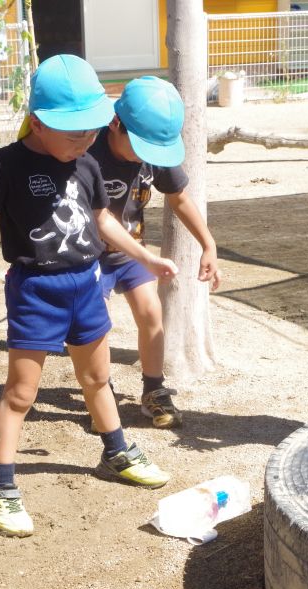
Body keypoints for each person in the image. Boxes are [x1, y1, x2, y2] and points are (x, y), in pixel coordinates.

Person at [0, 55, 179, 538]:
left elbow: (104, 219)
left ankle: (116, 451)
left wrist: (144, 256)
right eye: (75, 133)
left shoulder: (85, 161)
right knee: (21, 394)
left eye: (91, 131)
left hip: (86, 284)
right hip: (36, 292)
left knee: (98, 378)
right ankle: (0, 486)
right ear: (40, 122)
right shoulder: (6, 163)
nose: (86, 142)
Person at [86, 76, 221, 429]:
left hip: (131, 251)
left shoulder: (153, 148)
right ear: (116, 124)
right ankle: (100, 390)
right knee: (95, 327)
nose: (148, 157)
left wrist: (208, 243)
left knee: (151, 313)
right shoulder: (87, 152)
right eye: (141, 147)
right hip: (87, 255)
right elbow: (99, 220)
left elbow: (179, 198)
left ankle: (153, 390)